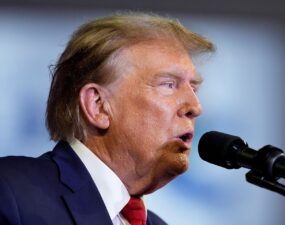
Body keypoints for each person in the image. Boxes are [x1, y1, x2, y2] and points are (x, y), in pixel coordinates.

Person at [0, 12, 214, 225]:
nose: (195, 107)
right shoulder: (11, 190)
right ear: (98, 106)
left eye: (193, 88)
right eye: (168, 84)